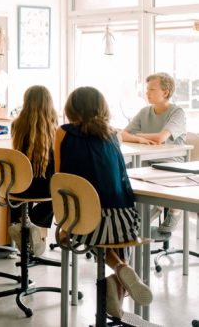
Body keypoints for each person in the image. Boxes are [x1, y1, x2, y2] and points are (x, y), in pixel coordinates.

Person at [56, 86, 152, 320]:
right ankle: (122, 271)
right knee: (111, 224)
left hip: (84, 221)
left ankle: (120, 270)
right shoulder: (113, 134)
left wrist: (64, 223)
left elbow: (60, 179)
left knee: (82, 227)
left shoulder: (62, 132)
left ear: (71, 109)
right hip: (124, 223)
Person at [120, 72, 187, 233]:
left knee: (154, 173)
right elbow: (122, 134)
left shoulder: (177, 112)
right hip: (147, 159)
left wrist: (138, 135)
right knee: (125, 173)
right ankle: (147, 209)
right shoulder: (145, 111)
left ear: (166, 92)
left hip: (171, 161)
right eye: (147, 89)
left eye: (152, 89)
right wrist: (140, 139)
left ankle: (175, 211)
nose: (147, 93)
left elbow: (160, 137)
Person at [8, 85, 58, 257]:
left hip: (22, 186)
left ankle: (24, 223)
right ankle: (32, 225)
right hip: (46, 188)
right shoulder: (56, 128)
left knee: (13, 189)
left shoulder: (17, 125)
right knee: (56, 197)